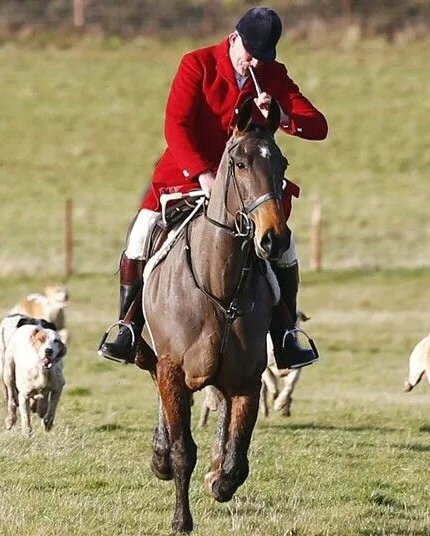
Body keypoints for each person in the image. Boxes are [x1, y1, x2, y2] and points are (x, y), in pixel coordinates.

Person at [98, 6, 328, 369]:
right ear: (234, 38)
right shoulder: (198, 64)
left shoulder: (273, 75)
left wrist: (282, 116)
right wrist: (203, 174)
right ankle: (127, 327)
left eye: (261, 57)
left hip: (246, 188)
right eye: (248, 54)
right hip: (187, 176)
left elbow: (318, 125)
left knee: (284, 245)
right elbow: (176, 126)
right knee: (140, 235)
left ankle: (286, 334)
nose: (252, 64)